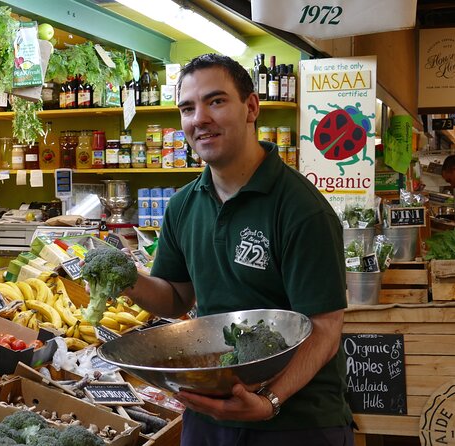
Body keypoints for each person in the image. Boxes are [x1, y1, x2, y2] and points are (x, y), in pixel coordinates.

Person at [123, 54, 354, 445]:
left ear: (251, 108)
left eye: (216, 101)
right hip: (208, 413)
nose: (199, 119)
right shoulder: (183, 206)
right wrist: (123, 278)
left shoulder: (300, 208)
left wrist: (270, 399)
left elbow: (327, 328)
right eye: (187, 108)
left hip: (296, 421)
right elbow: (176, 299)